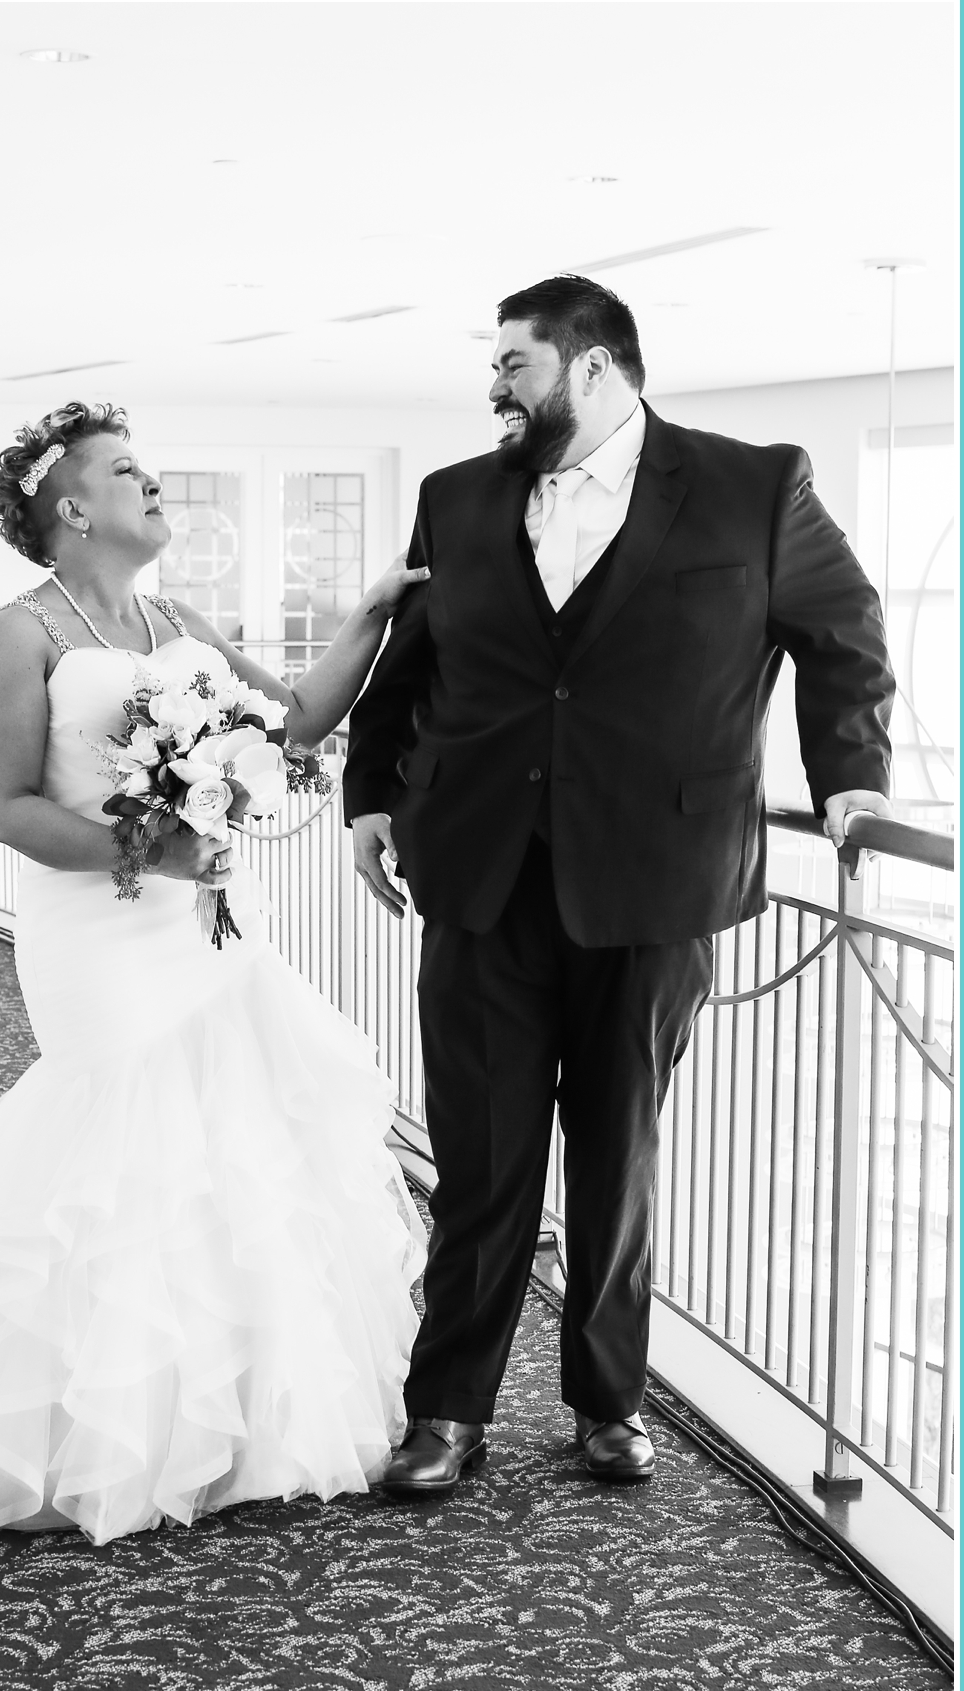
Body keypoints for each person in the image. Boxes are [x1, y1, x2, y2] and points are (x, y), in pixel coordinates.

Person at [0, 402, 429, 1544]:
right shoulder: (17, 632)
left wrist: (373, 613)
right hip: (96, 924)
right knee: (117, 1142)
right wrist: (155, 848)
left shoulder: (173, 613)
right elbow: (3, 809)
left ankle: (223, 1417)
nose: (156, 485)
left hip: (209, 920)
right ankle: (84, 1425)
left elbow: (293, 724)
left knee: (228, 1137)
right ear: (71, 507)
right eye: (128, 470)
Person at [344, 275, 895, 1497]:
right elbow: (410, 659)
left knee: (617, 1153)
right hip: (482, 873)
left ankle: (607, 1400)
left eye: (514, 364)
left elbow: (843, 632)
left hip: (656, 879)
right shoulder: (455, 496)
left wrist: (849, 777)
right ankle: (446, 1411)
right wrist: (371, 790)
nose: (493, 386)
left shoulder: (757, 485)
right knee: (479, 1158)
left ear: (593, 369)